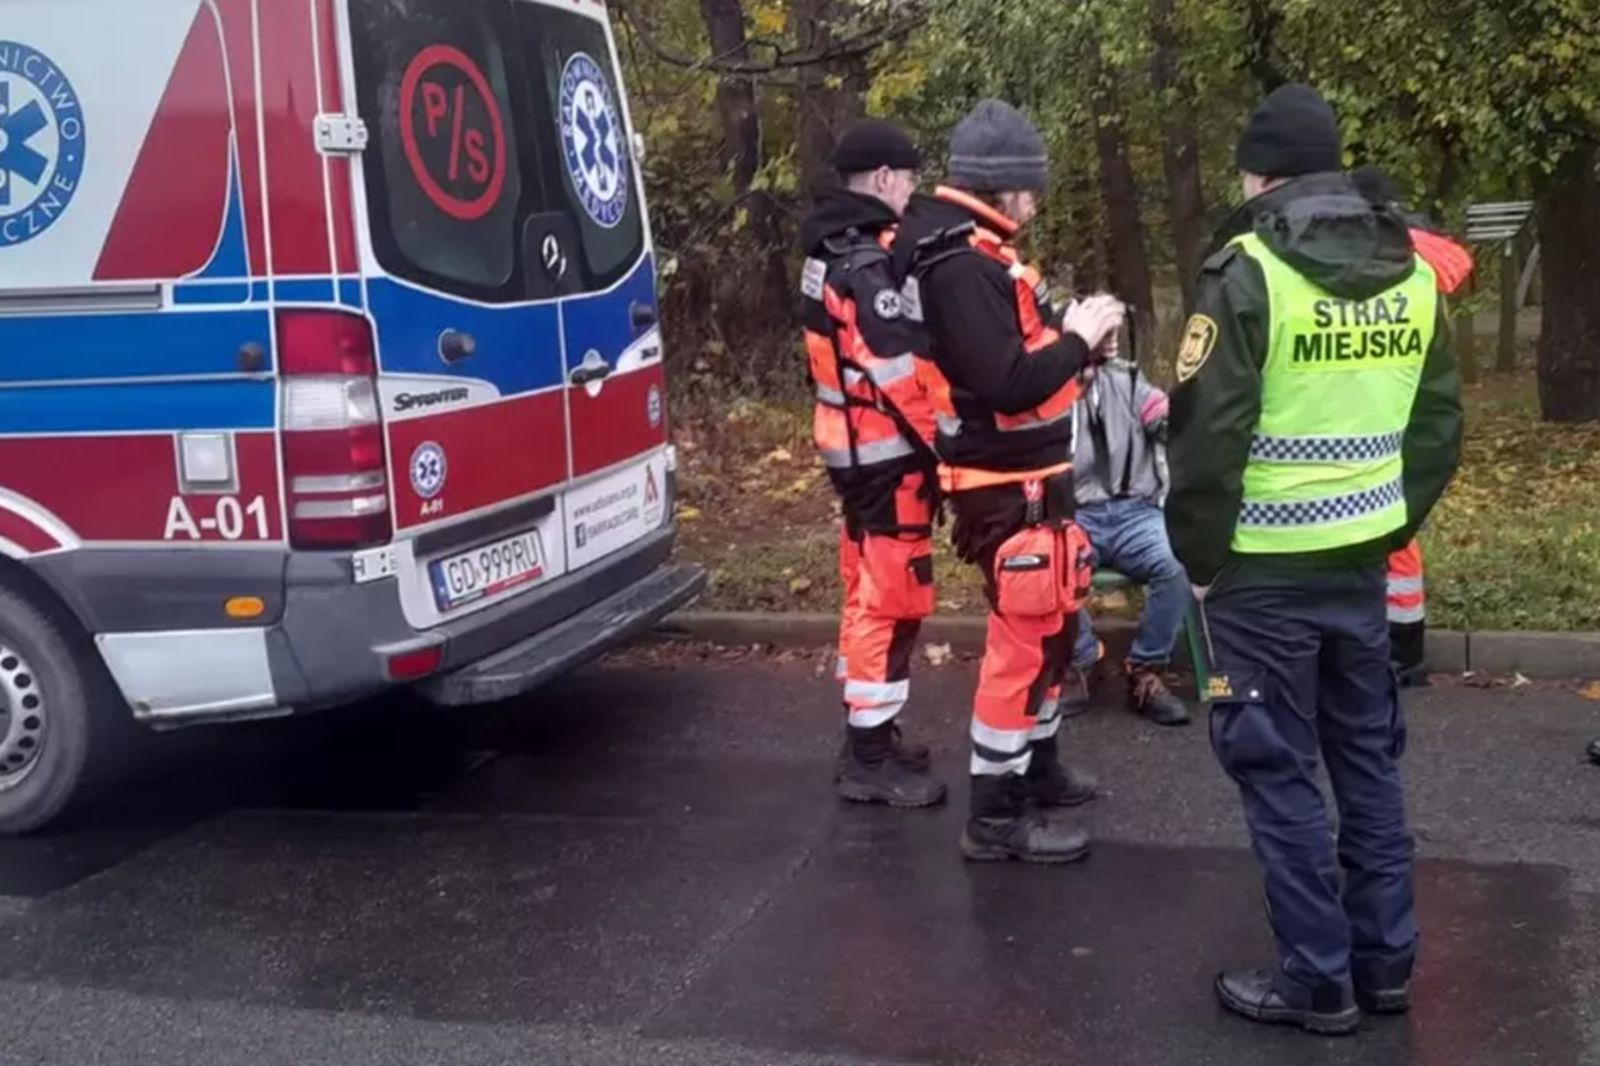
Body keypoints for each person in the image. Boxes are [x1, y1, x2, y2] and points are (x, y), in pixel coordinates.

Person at [1166, 85, 1464, 1034]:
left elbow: (1207, 437)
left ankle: (1316, 978)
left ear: (1260, 174)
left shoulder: (1246, 268)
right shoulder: (1414, 273)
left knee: (1278, 770)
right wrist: (1384, 521)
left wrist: (1198, 560)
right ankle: (1384, 967)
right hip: (1359, 565)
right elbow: (1438, 425)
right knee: (1367, 763)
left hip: (1258, 572)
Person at [895, 99, 1126, 863]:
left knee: (1054, 631)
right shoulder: (962, 266)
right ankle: (994, 817)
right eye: (1031, 185)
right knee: (1021, 644)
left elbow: (1032, 360)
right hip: (1004, 484)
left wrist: (1080, 344)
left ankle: (1040, 767)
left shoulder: (986, 257)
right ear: (1005, 186)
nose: (1037, 199)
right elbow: (1008, 380)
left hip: (1035, 475)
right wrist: (1078, 340)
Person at [798, 119, 945, 809]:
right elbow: (903, 377)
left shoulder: (828, 251)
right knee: (891, 599)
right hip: (885, 457)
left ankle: (870, 733)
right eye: (909, 179)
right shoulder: (866, 268)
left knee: (866, 592)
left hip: (852, 450)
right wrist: (952, 448)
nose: (911, 192)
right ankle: (868, 755)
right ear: (884, 178)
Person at [1351, 165, 1478, 688]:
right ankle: (1403, 646)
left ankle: (1398, 651)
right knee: (1399, 536)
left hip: (1391, 406)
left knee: (1389, 536)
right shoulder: (1421, 251)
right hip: (1414, 403)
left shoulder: (1386, 256)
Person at [1066, 357, 1194, 726]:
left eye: (1111, 333)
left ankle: (1145, 670)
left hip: (1134, 511)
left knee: (1174, 562)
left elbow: (1166, 420)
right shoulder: (1047, 384)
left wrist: (1185, 415)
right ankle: (1085, 660)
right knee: (1054, 568)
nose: (1108, 342)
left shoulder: (1130, 380)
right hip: (1076, 513)